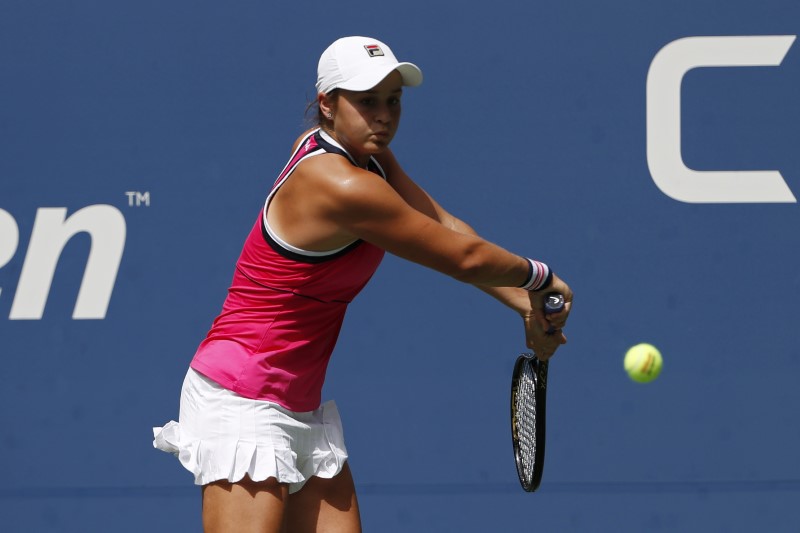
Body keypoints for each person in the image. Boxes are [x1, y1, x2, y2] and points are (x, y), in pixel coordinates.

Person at [153, 35, 573, 533]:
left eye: (393, 101)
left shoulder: (367, 160)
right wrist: (541, 278)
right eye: (366, 101)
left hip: (299, 402)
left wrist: (525, 305)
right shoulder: (340, 184)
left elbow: (448, 226)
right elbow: (462, 257)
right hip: (241, 400)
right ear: (328, 105)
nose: (384, 115)